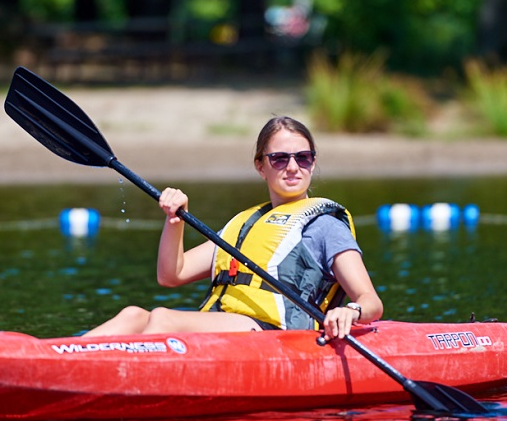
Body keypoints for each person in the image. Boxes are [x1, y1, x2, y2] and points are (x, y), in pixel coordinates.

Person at [84, 116, 383, 340]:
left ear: (313, 163)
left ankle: (113, 378)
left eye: (302, 158)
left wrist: (351, 311)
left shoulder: (325, 227)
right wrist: (175, 221)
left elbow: (371, 302)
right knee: (134, 315)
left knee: (163, 318)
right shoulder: (244, 225)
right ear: (260, 166)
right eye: (279, 159)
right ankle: (55, 358)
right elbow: (171, 275)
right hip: (232, 326)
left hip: (276, 334)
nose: (293, 167)